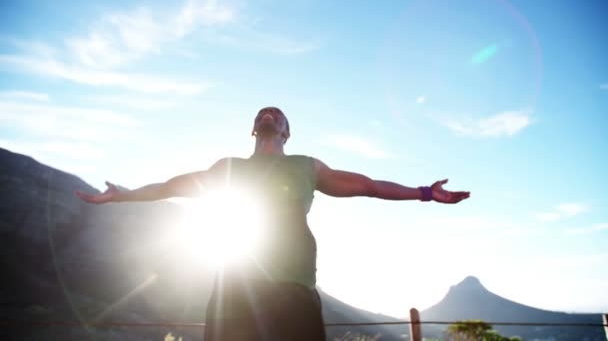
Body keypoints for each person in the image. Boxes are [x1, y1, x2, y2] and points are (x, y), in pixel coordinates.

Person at [76, 106, 470, 341]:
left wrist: (424, 192)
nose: (270, 114)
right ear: (254, 129)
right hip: (235, 288)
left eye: (278, 114)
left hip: (293, 287)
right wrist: (124, 194)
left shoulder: (306, 166)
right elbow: (170, 186)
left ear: (287, 131)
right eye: (263, 113)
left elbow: (368, 186)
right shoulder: (227, 168)